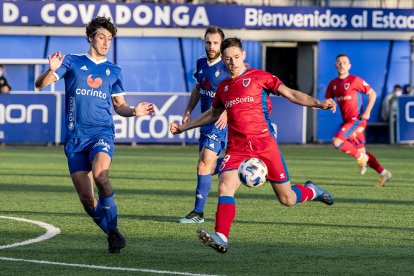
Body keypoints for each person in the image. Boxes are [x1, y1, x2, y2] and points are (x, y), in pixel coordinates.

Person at [170, 37, 336, 254]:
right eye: (228, 59)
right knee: (225, 185)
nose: (232, 63)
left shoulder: (259, 77)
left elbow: (291, 94)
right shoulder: (224, 88)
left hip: (265, 145)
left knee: (287, 198)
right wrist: (185, 127)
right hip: (237, 148)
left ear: (244, 55)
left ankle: (312, 190)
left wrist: (319, 103)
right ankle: (221, 236)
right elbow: (213, 114)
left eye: (236, 57)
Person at [35, 17, 155, 254]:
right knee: (87, 201)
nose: (106, 42)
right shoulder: (72, 62)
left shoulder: (114, 71)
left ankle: (114, 228)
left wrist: (134, 111)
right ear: (90, 37)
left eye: (110, 39)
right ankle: (113, 233)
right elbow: (40, 84)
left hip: (101, 132)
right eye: (101, 37)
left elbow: (120, 106)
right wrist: (51, 70)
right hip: (74, 138)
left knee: (100, 175)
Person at [178, 26, 230, 224]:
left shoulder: (227, 66)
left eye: (215, 43)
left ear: (222, 45)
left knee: (203, 164)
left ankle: (198, 213)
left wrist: (225, 111)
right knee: (206, 167)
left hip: (221, 123)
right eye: (208, 42)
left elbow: (235, 92)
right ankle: (239, 164)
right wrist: (189, 111)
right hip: (206, 121)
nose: (211, 46)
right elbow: (198, 88)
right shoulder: (201, 63)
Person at [325, 53, 392, 188]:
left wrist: (367, 112)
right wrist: (322, 105)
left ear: (349, 66)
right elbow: (328, 101)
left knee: (337, 141)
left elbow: (372, 93)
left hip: (357, 120)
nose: (341, 64)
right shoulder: (333, 84)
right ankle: (383, 172)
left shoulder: (355, 80)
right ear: (335, 65)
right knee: (362, 151)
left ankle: (360, 159)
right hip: (348, 122)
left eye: (344, 62)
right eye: (339, 62)